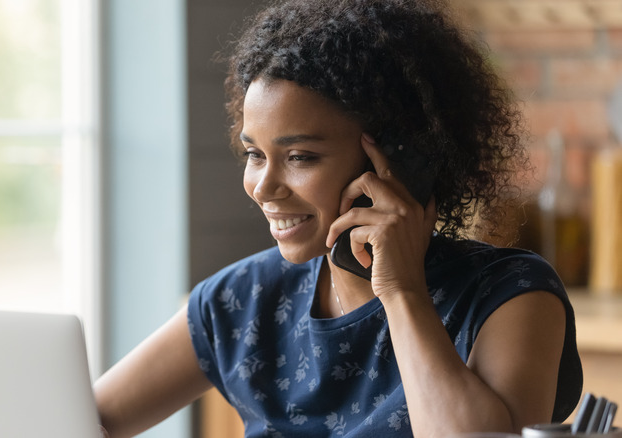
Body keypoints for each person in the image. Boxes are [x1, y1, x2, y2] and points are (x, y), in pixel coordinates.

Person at [92, 0, 583, 436]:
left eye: (301, 157)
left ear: (398, 161)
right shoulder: (243, 300)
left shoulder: (510, 295)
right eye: (255, 154)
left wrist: (402, 293)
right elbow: (84, 419)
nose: (264, 187)